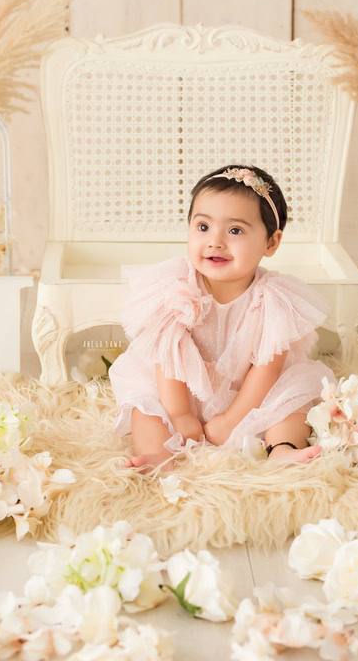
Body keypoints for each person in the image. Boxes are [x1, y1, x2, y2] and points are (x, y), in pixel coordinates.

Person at [109, 164, 333, 472]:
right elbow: (168, 356)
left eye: (235, 231)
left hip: (250, 395)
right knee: (145, 405)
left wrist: (231, 420)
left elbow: (267, 370)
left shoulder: (273, 298)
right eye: (203, 227)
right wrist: (180, 415)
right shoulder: (177, 287)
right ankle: (156, 454)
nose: (215, 241)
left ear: (271, 243)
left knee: (292, 401)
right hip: (178, 389)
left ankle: (281, 448)